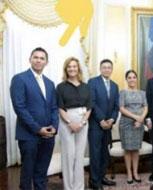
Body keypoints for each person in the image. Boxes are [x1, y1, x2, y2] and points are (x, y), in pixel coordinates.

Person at [10, 47, 59, 190]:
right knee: (27, 172)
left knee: (41, 172)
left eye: (42, 58)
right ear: (30, 59)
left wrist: (54, 127)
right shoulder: (19, 79)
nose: (38, 60)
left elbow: (54, 108)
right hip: (28, 135)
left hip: (48, 135)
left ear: (46, 62)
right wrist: (38, 129)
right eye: (35, 57)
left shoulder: (50, 83)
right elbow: (19, 107)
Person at [57, 57, 92, 190]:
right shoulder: (60, 87)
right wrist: (70, 123)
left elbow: (89, 107)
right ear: (66, 69)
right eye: (69, 67)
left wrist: (82, 123)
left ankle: (79, 187)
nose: (72, 69)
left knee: (79, 156)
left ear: (78, 69)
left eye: (74, 66)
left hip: (83, 120)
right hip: (67, 120)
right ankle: (69, 187)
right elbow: (60, 107)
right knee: (68, 155)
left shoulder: (86, 86)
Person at [88, 59, 119, 189]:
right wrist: (101, 120)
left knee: (104, 154)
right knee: (95, 154)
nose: (106, 69)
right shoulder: (92, 82)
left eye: (109, 67)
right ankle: (94, 182)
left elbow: (116, 106)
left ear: (111, 70)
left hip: (108, 125)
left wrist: (111, 120)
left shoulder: (115, 85)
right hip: (96, 124)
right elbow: (92, 103)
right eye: (104, 67)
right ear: (100, 69)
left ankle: (101, 177)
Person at [119, 70, 148, 184]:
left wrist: (141, 119)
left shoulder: (142, 93)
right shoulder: (123, 92)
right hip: (126, 123)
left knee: (136, 149)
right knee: (127, 150)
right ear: (126, 80)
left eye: (134, 77)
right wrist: (136, 117)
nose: (132, 79)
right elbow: (121, 108)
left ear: (137, 79)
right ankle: (129, 173)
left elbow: (146, 107)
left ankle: (135, 172)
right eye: (129, 77)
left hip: (139, 124)